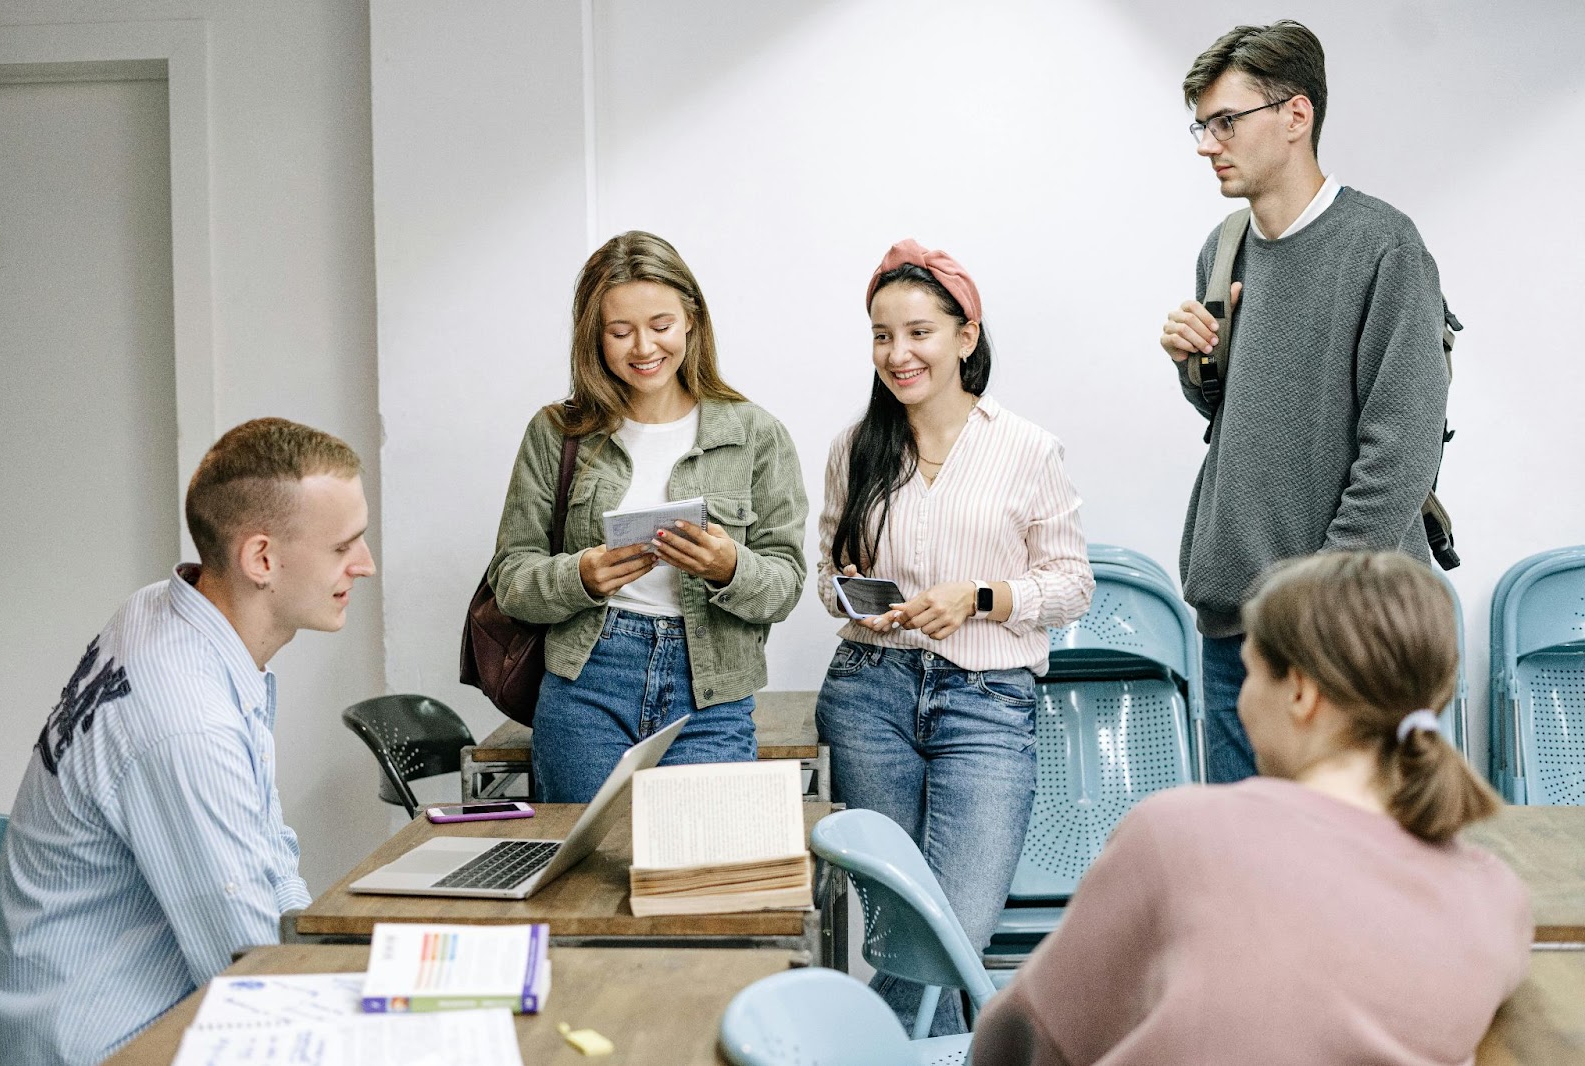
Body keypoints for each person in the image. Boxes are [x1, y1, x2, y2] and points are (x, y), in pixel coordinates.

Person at [971, 551, 1530, 1066]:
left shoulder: (1180, 834)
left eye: (1251, 671)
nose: (1240, 699)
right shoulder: (1497, 899)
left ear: (1300, 693)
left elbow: (1018, 1043)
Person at [0, 418, 376, 1065]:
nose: (364, 565)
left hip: (115, 1006)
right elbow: (252, 975)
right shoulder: (185, 720)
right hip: (102, 1042)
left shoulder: (165, 610)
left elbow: (266, 860)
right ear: (261, 559)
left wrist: (332, 966)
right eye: (344, 546)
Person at [1157, 20, 1451, 783]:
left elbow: (1402, 452)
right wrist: (1198, 369)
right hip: (1235, 628)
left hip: (1345, 633)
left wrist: (1313, 605)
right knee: (1244, 875)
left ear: (1296, 115)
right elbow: (1241, 420)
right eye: (1202, 123)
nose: (1206, 143)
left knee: (1357, 874)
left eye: (1226, 121)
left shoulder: (1383, 246)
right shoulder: (1221, 249)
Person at [815, 239, 1094, 1036]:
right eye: (880, 335)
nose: (897, 354)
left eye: (918, 332)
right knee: (899, 930)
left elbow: (1071, 585)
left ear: (966, 336)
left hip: (988, 704)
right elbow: (825, 577)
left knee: (950, 933)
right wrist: (855, 597)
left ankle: (854, 1047)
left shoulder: (1028, 448)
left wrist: (979, 596)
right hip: (869, 696)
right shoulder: (855, 448)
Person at [488, 230, 808, 802]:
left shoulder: (755, 435)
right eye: (620, 331)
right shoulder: (557, 434)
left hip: (711, 691)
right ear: (595, 337)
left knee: (699, 877)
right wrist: (580, 576)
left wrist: (729, 566)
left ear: (692, 320)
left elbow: (786, 585)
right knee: (582, 880)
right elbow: (511, 578)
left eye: (660, 326)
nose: (643, 348)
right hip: (587, 684)